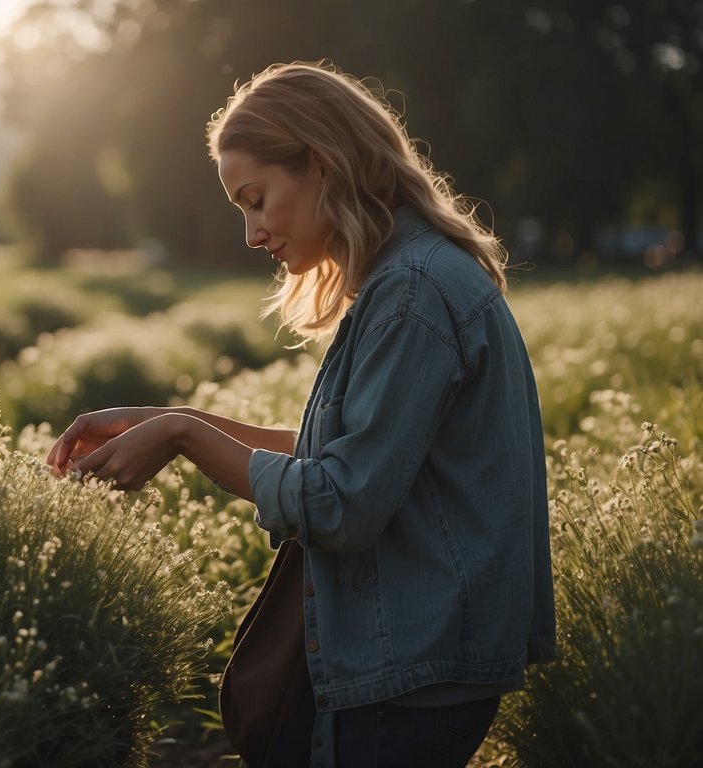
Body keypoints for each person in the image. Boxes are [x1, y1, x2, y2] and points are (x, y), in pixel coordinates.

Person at [45, 61, 557, 767]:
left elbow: (341, 503)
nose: (252, 233)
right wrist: (173, 418)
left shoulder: (410, 294)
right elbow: (352, 458)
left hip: (407, 680)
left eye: (256, 199)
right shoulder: (407, 278)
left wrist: (187, 436)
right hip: (413, 668)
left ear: (321, 165)